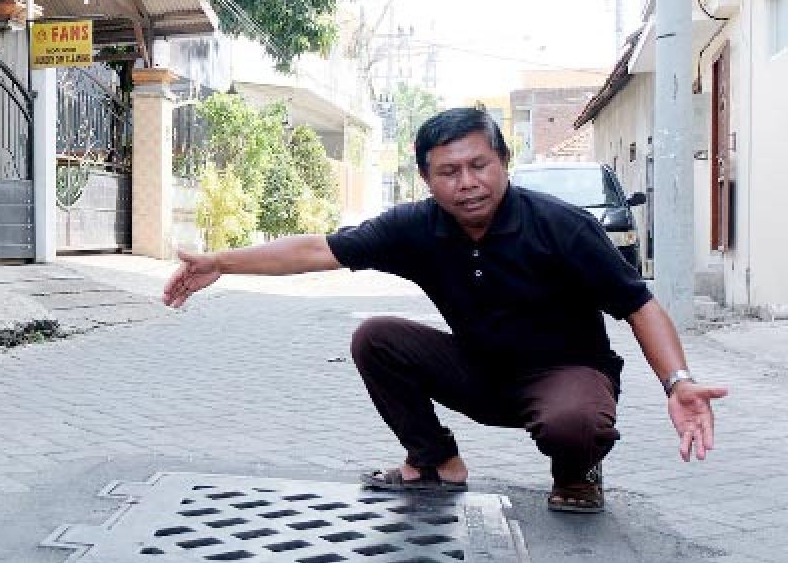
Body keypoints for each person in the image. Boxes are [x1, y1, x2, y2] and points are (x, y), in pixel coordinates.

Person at [162, 107, 725, 513]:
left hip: (566, 376)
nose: (467, 183)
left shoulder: (562, 227)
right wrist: (222, 262)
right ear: (427, 179)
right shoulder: (415, 227)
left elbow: (639, 306)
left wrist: (678, 382)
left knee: (572, 423)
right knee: (375, 337)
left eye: (479, 165)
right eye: (448, 172)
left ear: (504, 162)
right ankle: (434, 461)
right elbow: (316, 248)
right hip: (479, 371)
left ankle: (576, 470)